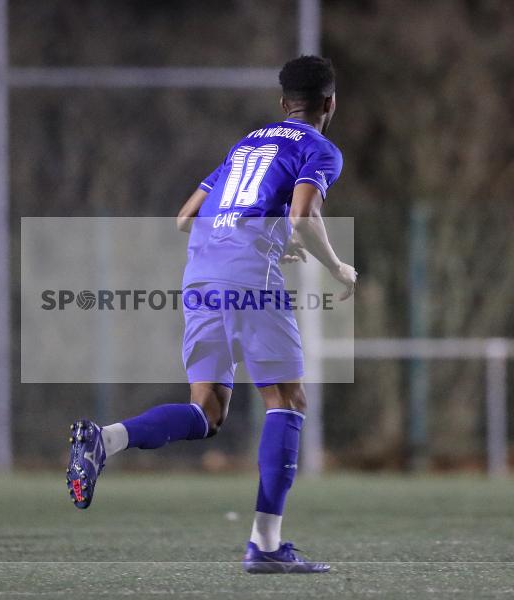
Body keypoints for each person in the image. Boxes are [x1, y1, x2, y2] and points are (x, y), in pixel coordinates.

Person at [66, 55, 357, 574]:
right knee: (287, 400)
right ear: (330, 103)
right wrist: (337, 268)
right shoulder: (319, 148)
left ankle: (106, 439)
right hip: (249, 280)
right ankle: (266, 544)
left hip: (200, 277)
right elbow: (303, 215)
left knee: (206, 412)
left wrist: (264, 239)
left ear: (282, 103)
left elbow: (185, 218)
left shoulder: (245, 144)